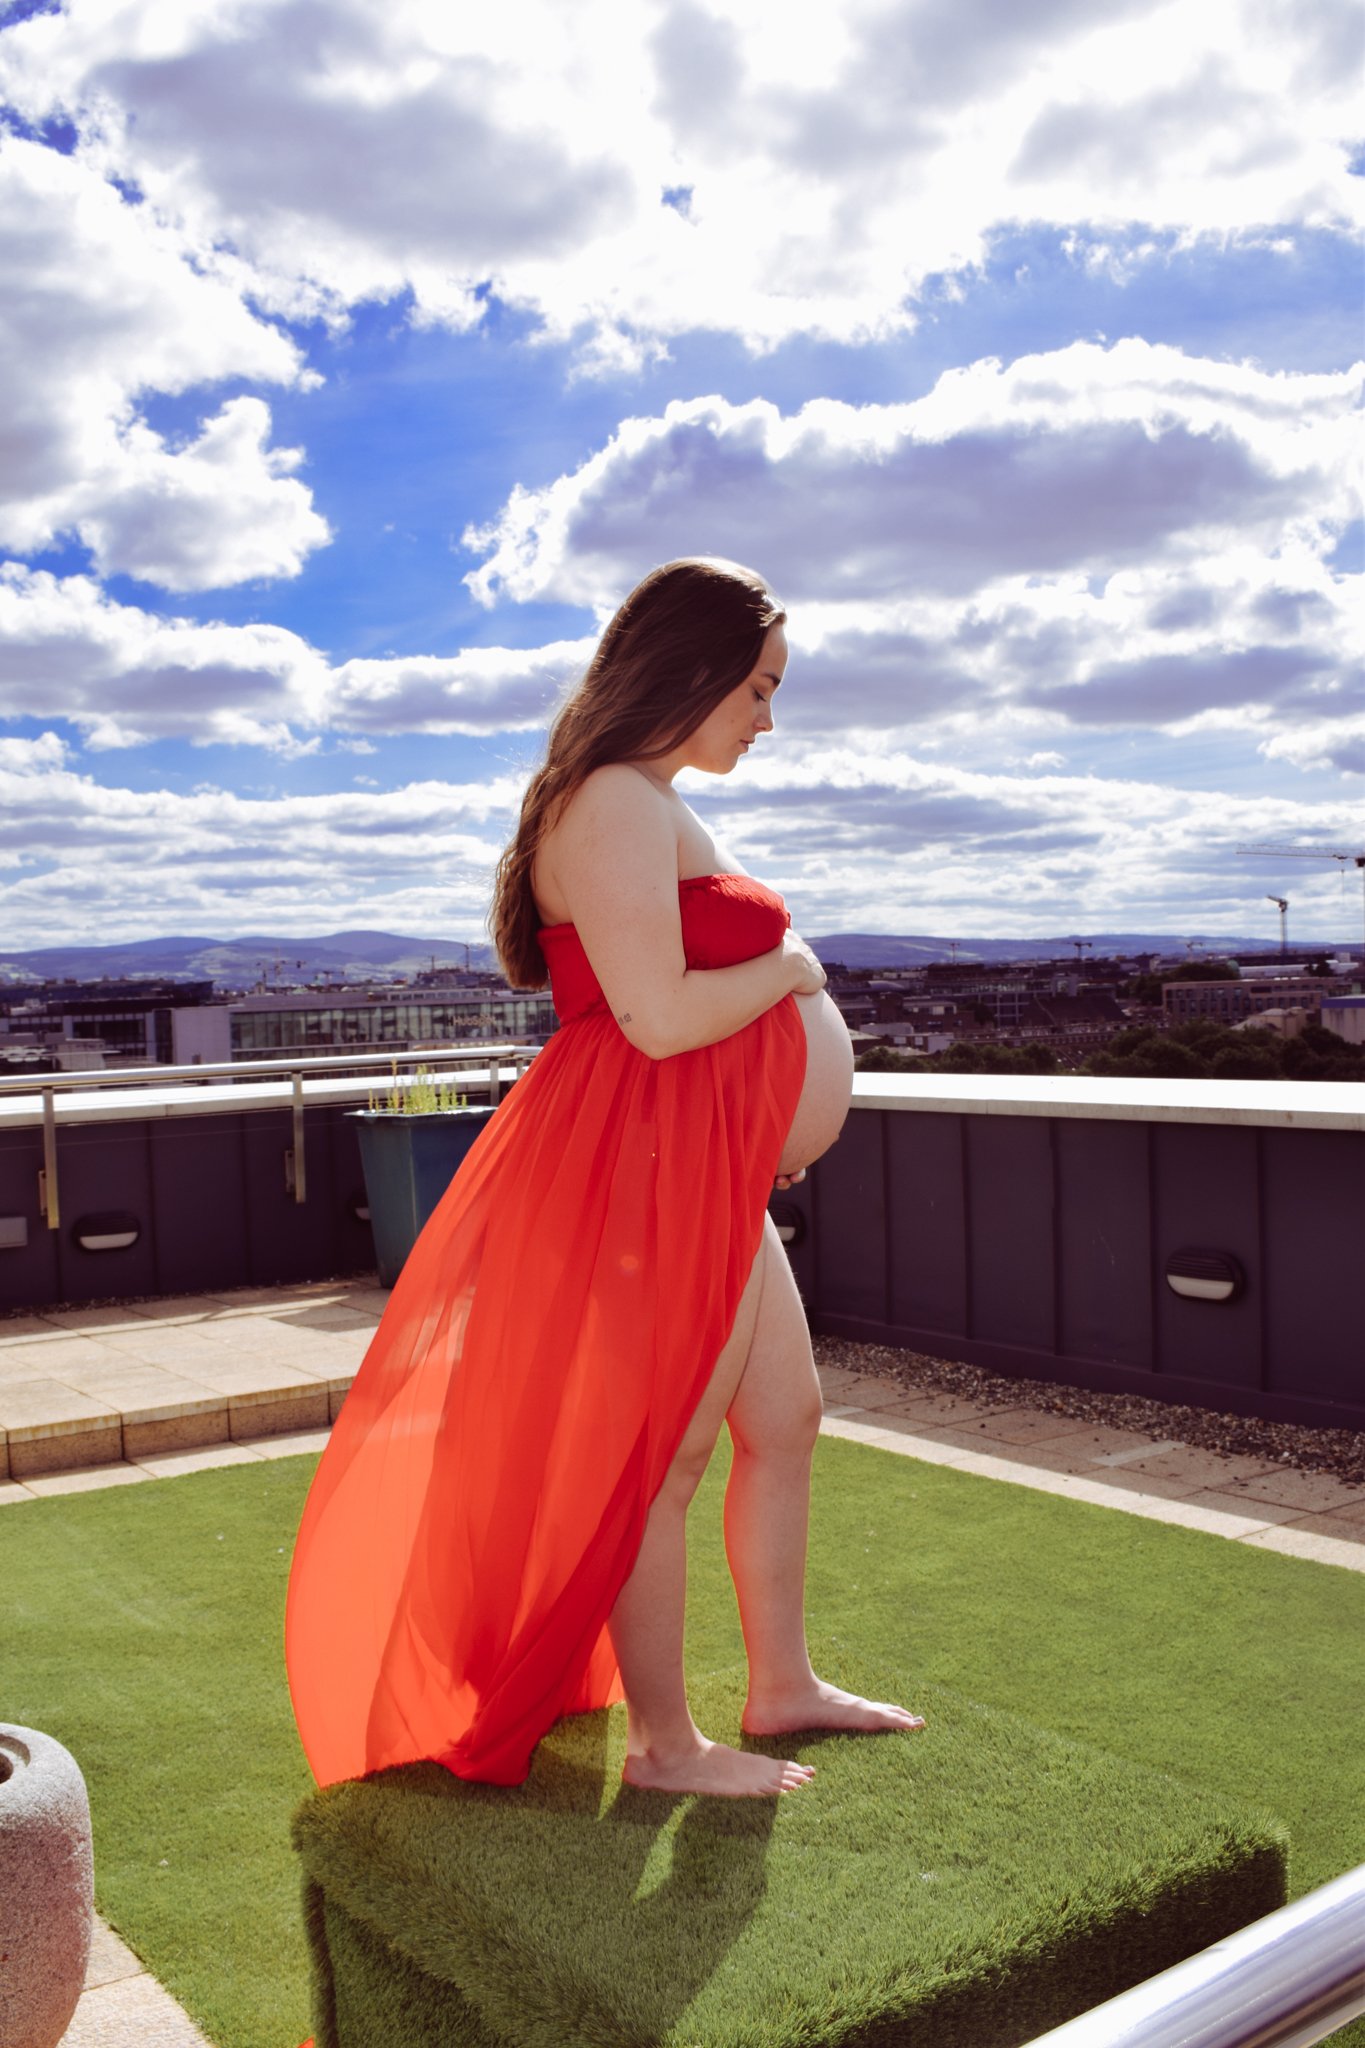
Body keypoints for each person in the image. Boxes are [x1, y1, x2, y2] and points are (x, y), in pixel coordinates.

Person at [286, 557, 923, 1799]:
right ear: (687, 670)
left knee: (784, 1414)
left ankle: (781, 1679)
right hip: (652, 1162)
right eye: (756, 688)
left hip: (701, 1163)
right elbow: (657, 1016)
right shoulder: (615, 801)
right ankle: (665, 1742)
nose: (767, 719)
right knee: (662, 1454)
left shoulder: (638, 795)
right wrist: (794, 971)